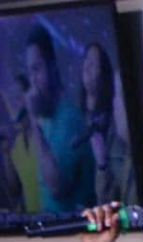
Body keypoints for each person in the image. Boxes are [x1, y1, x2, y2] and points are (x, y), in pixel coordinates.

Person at [1, 25, 93, 212]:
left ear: (53, 67)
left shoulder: (71, 119)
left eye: (37, 69)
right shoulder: (46, 120)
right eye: (30, 71)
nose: (33, 80)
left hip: (74, 235)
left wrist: (33, 121)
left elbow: (57, 188)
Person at [80, 42, 133, 208]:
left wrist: (102, 164)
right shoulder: (79, 117)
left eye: (94, 63)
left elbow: (112, 200)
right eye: (86, 60)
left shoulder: (115, 130)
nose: (87, 66)